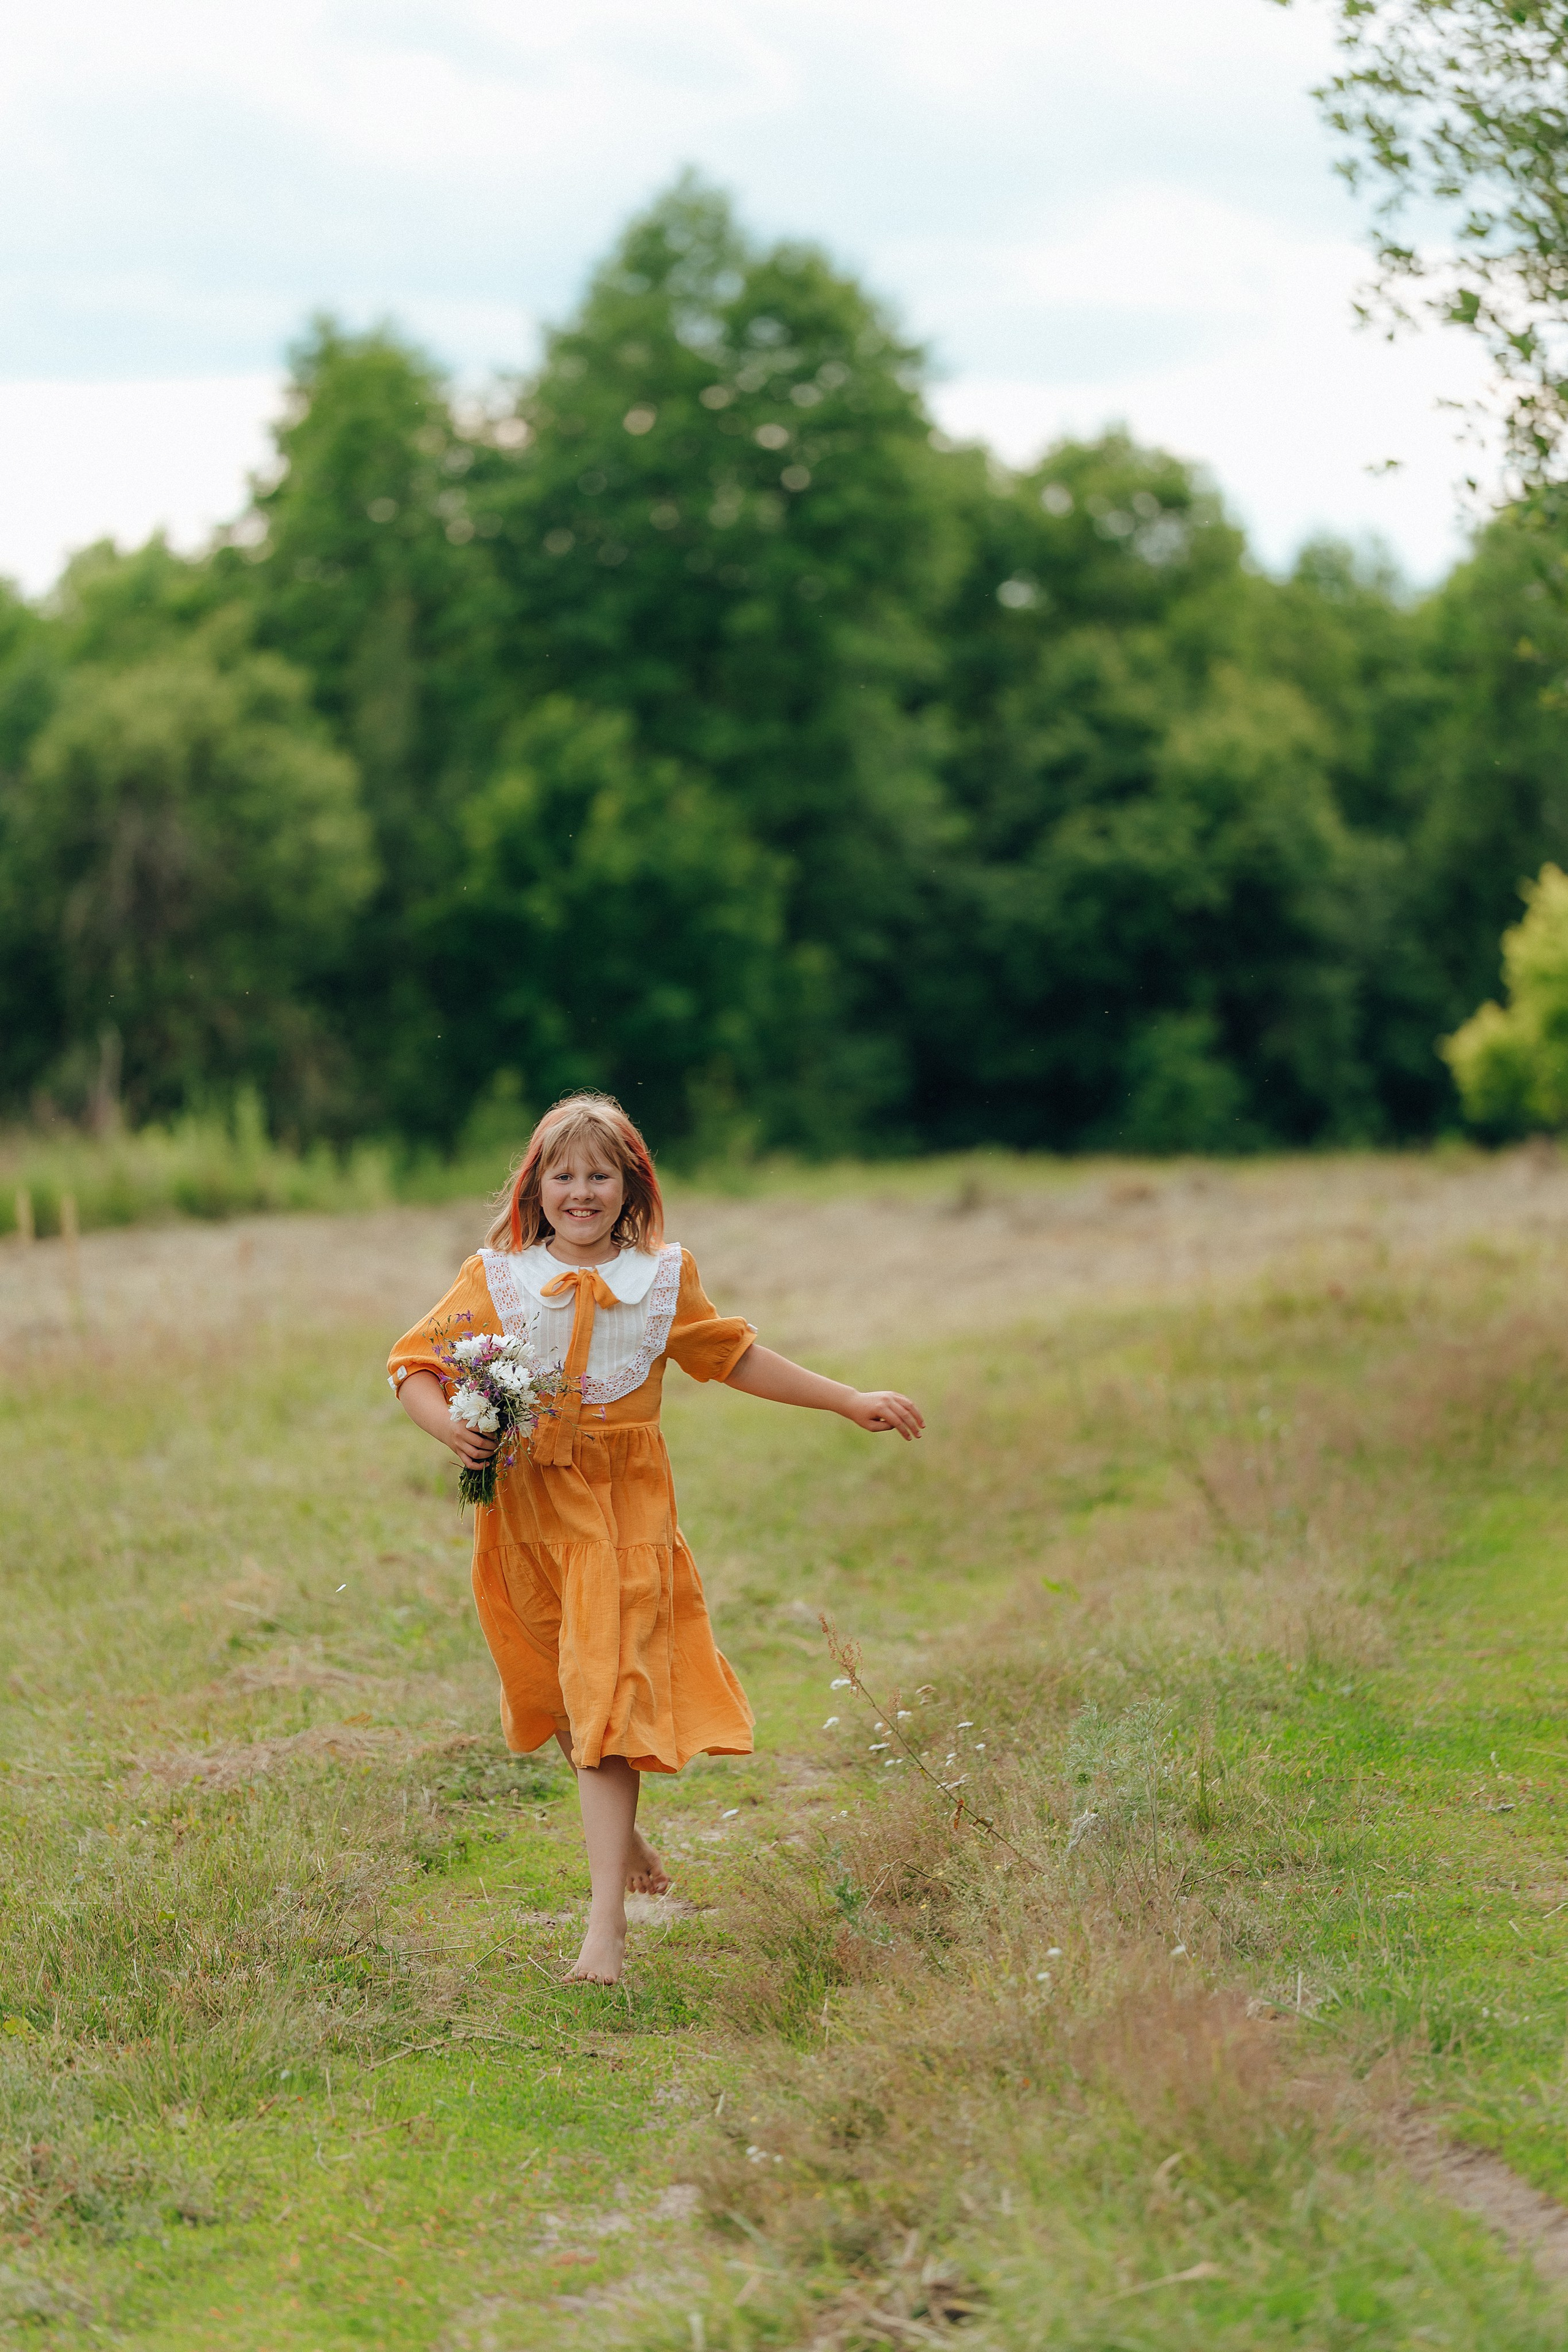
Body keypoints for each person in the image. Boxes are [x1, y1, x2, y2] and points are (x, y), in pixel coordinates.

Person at [388, 1093, 924, 1985]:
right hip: (524, 1508)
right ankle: (623, 1838)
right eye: (564, 1174)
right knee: (562, 1686)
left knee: (605, 1689)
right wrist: (448, 1427)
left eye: (601, 1174)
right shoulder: (498, 1276)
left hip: (624, 1511)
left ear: (630, 1185)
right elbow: (415, 1364)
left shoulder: (662, 1277)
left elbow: (733, 1355)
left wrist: (847, 1398)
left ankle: (606, 1932)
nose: (582, 1191)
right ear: (537, 1184)